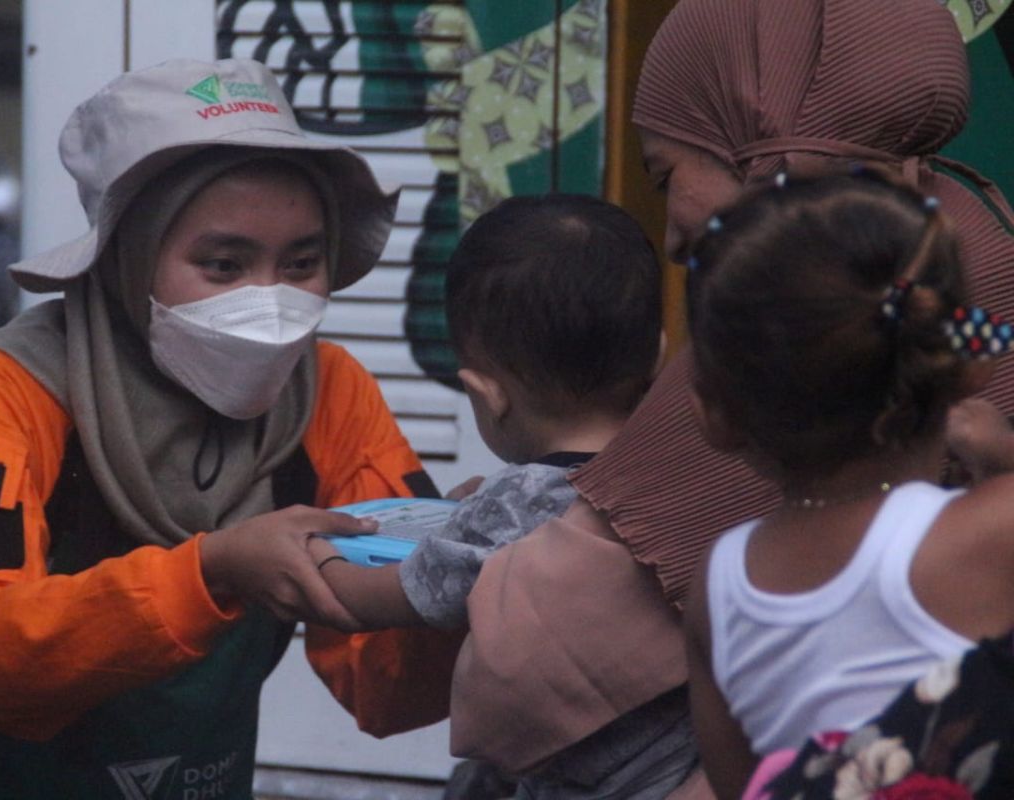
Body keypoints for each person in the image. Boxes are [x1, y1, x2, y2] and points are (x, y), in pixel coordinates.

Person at [448, 1, 1014, 798]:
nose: (673, 240)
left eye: (666, 177)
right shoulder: (956, 272)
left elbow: (726, 771)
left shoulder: (724, 583)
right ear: (963, 379)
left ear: (705, 411)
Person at [0, 58, 462, 799]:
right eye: (223, 265)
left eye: (303, 262)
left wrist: (455, 579)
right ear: (130, 257)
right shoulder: (5, 389)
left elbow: (383, 685)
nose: (270, 301)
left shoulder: (329, 393)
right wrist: (210, 570)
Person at [308, 193, 700, 797]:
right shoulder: (684, 467)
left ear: (487, 395)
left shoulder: (508, 510)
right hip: (692, 760)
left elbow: (372, 602)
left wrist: (314, 550)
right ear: (657, 351)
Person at [682, 172, 1014, 798]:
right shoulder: (995, 526)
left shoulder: (717, 587)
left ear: (713, 415)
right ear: (968, 364)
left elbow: (741, 787)